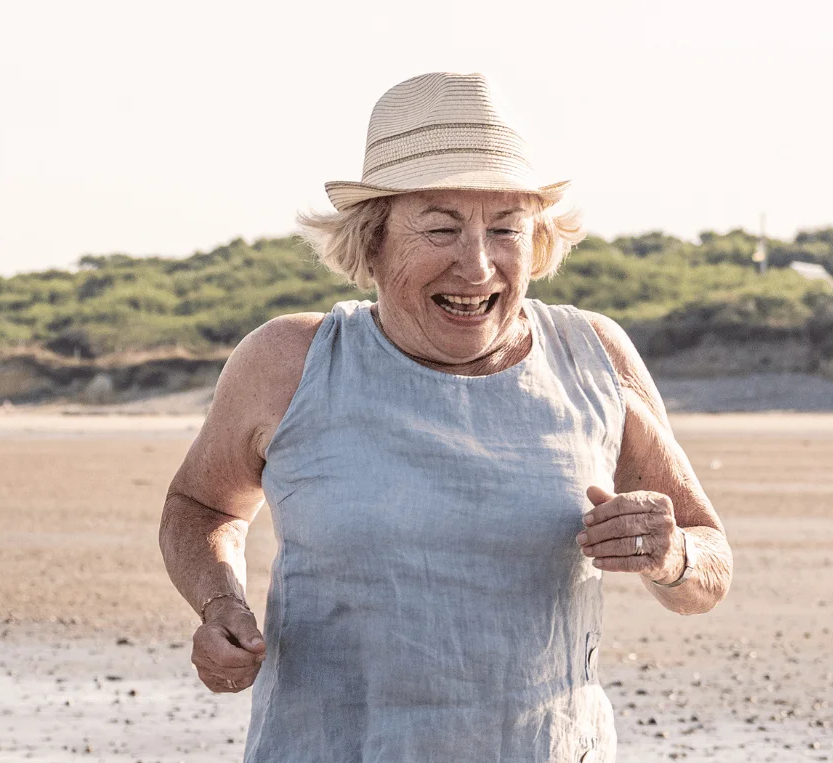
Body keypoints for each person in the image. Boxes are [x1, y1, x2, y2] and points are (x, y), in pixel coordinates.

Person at [158, 72, 732, 762]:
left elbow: (708, 558)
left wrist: (671, 555)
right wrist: (221, 604)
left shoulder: (594, 358)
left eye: (505, 228)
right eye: (440, 228)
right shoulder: (289, 362)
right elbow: (202, 506)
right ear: (372, 240)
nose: (477, 265)